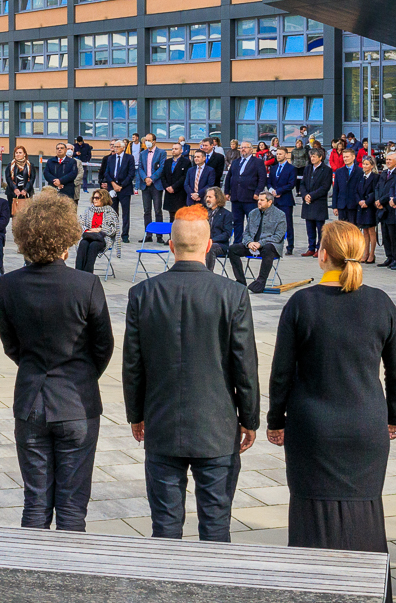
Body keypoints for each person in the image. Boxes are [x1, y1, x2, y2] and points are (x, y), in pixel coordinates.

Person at [267, 221, 396, 602]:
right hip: (366, 426)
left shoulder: (302, 304)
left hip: (313, 429)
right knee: (366, 513)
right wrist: (393, 416)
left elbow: (281, 373)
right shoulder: (381, 303)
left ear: (323, 255)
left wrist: (275, 420)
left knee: (311, 513)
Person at [123, 204, 259, 542]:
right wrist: (249, 418)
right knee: (216, 526)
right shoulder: (233, 294)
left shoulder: (142, 293)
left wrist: (136, 414)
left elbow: (133, 365)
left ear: (171, 246)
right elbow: (244, 365)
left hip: (163, 422)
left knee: (165, 527)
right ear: (209, 245)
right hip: (216, 426)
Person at [0, 194, 114, 532]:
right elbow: (103, 345)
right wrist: (82, 374)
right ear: (67, 238)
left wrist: (35, 367)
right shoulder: (86, 284)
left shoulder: (10, 284)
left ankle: (31, 565)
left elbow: (11, 344)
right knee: (72, 508)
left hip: (31, 399)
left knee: (35, 503)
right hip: (77, 400)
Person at [228, 191, 285, 293]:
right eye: (258, 200)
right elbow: (246, 233)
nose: (259, 202)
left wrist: (260, 243)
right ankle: (241, 281)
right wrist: (249, 243)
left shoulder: (280, 215)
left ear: (269, 202)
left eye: (262, 200)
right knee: (233, 249)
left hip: (269, 247)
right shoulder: (253, 213)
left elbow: (278, 236)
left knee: (268, 248)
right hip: (253, 245)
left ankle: (260, 282)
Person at [225, 140, 267, 243]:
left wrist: (257, 192)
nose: (243, 149)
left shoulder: (257, 162)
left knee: (252, 222)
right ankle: (237, 243)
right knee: (237, 222)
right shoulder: (235, 162)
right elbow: (229, 177)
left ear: (251, 150)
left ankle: (252, 243)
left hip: (250, 197)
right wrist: (226, 192)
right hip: (236, 198)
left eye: (245, 147)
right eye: (241, 147)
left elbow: (262, 179)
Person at [376, 151, 396, 270]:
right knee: (385, 234)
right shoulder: (384, 173)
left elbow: (393, 189)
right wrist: (377, 200)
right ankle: (388, 256)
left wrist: (383, 200)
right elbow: (378, 187)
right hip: (382, 208)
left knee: (393, 235)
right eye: (387, 159)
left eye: (390, 160)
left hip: (392, 207)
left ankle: (395, 258)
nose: (388, 161)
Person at [75, 189, 120, 274]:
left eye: (97, 198)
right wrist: (88, 230)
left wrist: (100, 229)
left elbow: (113, 229)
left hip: (102, 238)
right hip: (89, 235)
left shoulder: (110, 212)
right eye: (93, 198)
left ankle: (88, 274)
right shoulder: (88, 210)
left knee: (93, 245)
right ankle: (78, 272)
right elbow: (81, 223)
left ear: (104, 199)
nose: (94, 200)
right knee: (83, 243)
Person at [99, 140, 136, 243]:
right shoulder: (110, 158)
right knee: (113, 213)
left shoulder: (129, 158)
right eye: (114, 146)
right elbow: (106, 173)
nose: (115, 148)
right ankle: (113, 233)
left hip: (125, 189)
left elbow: (131, 174)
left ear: (123, 148)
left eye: (118, 146)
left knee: (126, 213)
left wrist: (121, 186)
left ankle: (125, 234)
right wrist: (113, 184)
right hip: (113, 188)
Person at [299, 147, 332, 257]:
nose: (312, 158)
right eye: (311, 156)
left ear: (320, 157)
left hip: (319, 202)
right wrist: (305, 195)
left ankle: (320, 248)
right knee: (309, 227)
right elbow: (302, 183)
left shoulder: (327, 170)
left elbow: (325, 187)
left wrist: (312, 195)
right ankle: (311, 248)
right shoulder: (308, 168)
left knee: (320, 228)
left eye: (314, 156)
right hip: (308, 202)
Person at [268, 147, 297, 254]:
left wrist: (279, 191)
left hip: (285, 200)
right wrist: (272, 190)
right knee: (274, 224)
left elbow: (291, 184)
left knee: (287, 224)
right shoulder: (273, 168)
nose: (278, 156)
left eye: (280, 154)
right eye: (277, 154)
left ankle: (290, 246)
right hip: (274, 200)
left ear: (286, 155)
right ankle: (274, 246)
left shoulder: (291, 168)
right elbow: (269, 182)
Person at [137, 133, 166, 240]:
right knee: (147, 211)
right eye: (146, 140)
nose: (147, 142)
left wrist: (152, 178)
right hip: (145, 185)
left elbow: (162, 167)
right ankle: (148, 234)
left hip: (156, 184)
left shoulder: (161, 152)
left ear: (154, 141)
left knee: (158, 210)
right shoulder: (142, 153)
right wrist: (145, 178)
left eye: (149, 140)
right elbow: (140, 167)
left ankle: (159, 235)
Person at [355, 154, 379, 263]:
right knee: (364, 231)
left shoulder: (375, 177)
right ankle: (365, 253)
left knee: (371, 231)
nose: (364, 166)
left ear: (372, 166)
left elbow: (375, 191)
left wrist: (367, 202)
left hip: (370, 207)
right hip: (361, 207)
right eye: (363, 164)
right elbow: (356, 190)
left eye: (367, 164)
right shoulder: (361, 177)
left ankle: (372, 254)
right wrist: (359, 201)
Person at [2, 145, 36, 223]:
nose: (18, 154)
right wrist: (15, 188)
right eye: (16, 153)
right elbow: (8, 178)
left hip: (26, 193)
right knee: (15, 214)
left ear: (24, 154)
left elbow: (32, 179)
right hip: (13, 193)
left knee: (27, 214)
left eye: (20, 153)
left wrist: (26, 189)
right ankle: (15, 228)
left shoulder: (30, 165)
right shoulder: (10, 165)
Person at [204, 187, 234, 271]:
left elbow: (226, 234)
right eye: (207, 197)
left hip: (219, 244)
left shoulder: (226, 214)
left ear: (217, 198)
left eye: (210, 197)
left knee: (210, 247)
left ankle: (208, 273)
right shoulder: (203, 212)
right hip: (203, 242)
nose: (207, 199)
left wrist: (211, 240)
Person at [160, 143, 190, 221]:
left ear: (181, 150)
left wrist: (174, 187)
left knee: (180, 216)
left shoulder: (186, 162)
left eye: (176, 149)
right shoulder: (167, 162)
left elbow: (185, 177)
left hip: (180, 192)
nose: (173, 150)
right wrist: (167, 187)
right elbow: (163, 175)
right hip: (169, 192)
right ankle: (172, 229)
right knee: (171, 216)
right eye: (172, 149)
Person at [332, 147, 360, 225]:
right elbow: (336, 189)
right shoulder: (339, 171)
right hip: (342, 205)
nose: (345, 159)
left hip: (354, 206)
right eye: (344, 157)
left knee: (353, 229)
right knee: (342, 229)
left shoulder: (360, 171)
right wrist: (334, 206)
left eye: (347, 157)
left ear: (353, 157)